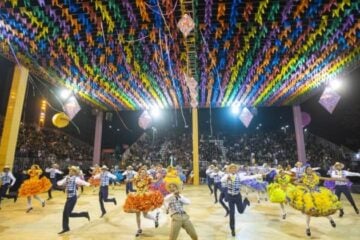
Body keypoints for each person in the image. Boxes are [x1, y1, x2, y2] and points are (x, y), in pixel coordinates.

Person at [287, 166, 343, 237]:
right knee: (308, 212)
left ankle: (331, 220)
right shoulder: (303, 177)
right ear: (306, 171)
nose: (309, 170)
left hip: (317, 193)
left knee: (322, 209)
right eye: (308, 170)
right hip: (308, 195)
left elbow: (325, 178)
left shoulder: (315, 176)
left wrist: (336, 179)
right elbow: (295, 182)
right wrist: (303, 184)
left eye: (310, 169)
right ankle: (307, 228)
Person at [221, 164, 260, 237]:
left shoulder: (240, 176)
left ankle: (245, 201)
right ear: (229, 170)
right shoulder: (227, 176)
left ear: (236, 170)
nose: (233, 170)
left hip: (238, 196)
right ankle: (232, 229)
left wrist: (258, 175)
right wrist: (227, 177)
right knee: (231, 214)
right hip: (230, 197)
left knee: (241, 211)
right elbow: (222, 180)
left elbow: (248, 177)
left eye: (234, 169)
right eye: (231, 169)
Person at [123, 166, 163, 237]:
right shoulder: (136, 178)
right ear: (139, 172)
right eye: (141, 172)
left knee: (145, 215)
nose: (142, 173)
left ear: (145, 173)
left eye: (144, 172)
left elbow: (154, 181)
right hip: (137, 197)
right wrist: (127, 180)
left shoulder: (148, 179)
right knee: (137, 214)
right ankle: (139, 229)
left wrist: (159, 178)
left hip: (145, 197)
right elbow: (130, 180)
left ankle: (155, 220)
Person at [57, 166, 90, 234]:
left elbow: (82, 182)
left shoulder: (76, 178)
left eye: (72, 171)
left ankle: (66, 228)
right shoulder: (67, 177)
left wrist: (88, 184)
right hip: (69, 198)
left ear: (74, 172)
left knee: (66, 214)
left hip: (73, 198)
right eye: (70, 171)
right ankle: (84, 214)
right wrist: (58, 183)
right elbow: (61, 182)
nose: (70, 172)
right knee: (66, 213)